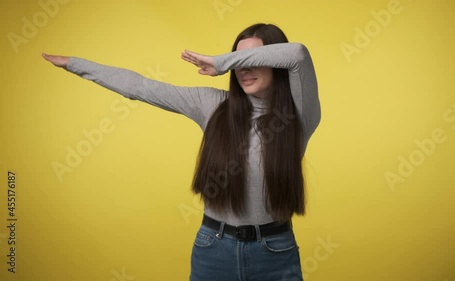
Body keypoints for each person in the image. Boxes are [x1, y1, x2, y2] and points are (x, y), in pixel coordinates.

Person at [43, 23, 320, 281]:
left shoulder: (298, 115)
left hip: (274, 254)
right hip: (213, 249)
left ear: (275, 62)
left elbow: (297, 53)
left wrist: (222, 62)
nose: (243, 69)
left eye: (251, 60)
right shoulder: (211, 105)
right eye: (239, 62)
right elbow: (141, 87)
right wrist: (74, 64)